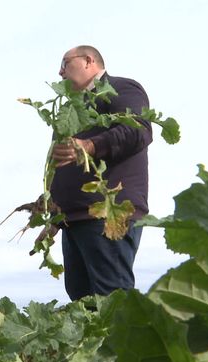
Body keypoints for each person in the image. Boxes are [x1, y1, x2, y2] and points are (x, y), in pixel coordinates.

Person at [44, 45, 152, 301]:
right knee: (81, 302)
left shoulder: (121, 88)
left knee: (111, 299)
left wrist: (90, 145)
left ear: (88, 61)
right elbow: (61, 166)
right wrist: (55, 217)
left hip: (107, 212)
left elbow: (138, 130)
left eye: (65, 63)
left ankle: (123, 343)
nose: (60, 72)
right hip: (76, 218)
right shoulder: (71, 110)